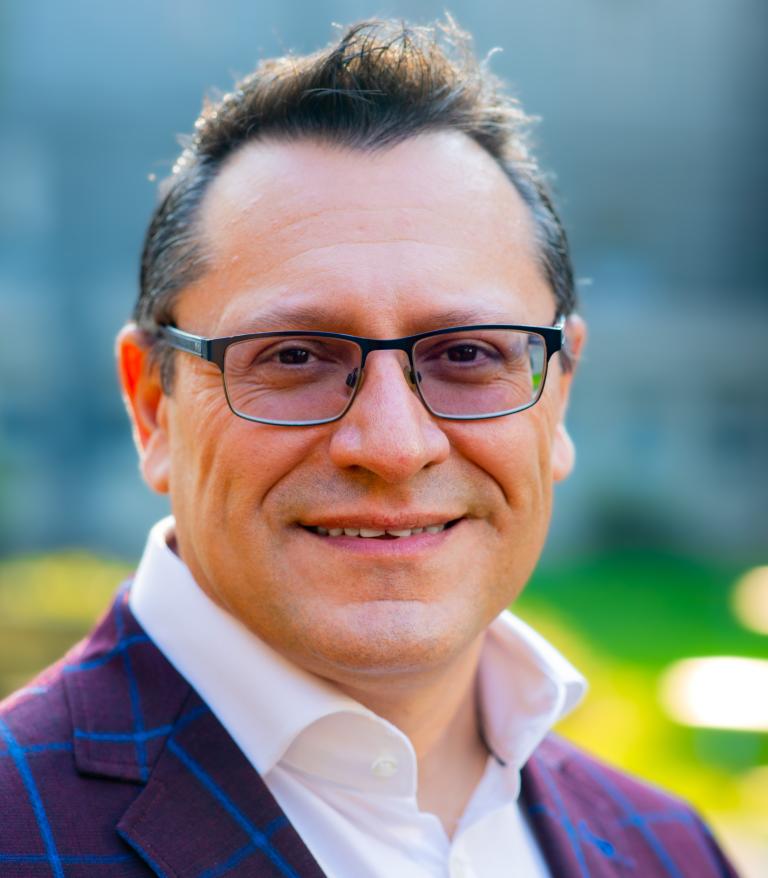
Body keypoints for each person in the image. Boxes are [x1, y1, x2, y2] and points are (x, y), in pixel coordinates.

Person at [0, 18, 739, 878]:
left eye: (468, 354)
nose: (392, 445)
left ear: (560, 395)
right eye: (294, 357)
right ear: (152, 407)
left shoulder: (671, 850)